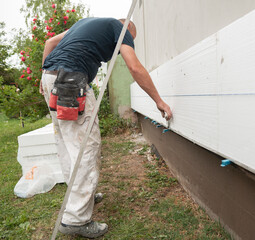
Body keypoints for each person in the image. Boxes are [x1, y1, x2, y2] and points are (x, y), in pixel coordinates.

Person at [40, 17, 172, 238]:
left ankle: (79, 199)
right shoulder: (121, 29)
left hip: (51, 77)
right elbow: (135, 67)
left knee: (66, 141)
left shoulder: (86, 23)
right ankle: (76, 219)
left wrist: (44, 77)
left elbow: (49, 43)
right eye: (122, 47)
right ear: (127, 30)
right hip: (71, 81)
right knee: (86, 147)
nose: (119, 51)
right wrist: (159, 100)